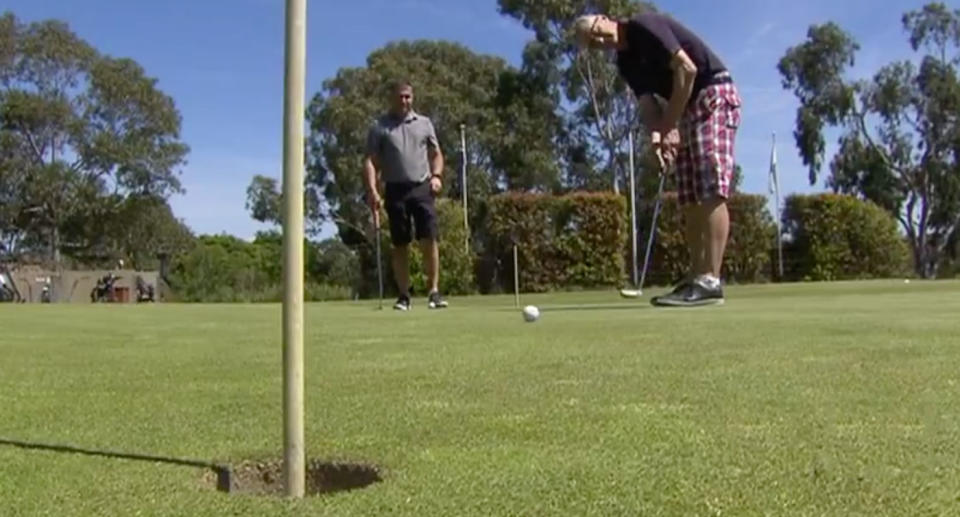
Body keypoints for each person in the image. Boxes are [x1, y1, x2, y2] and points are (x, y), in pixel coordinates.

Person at [574, 11, 743, 307]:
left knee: (709, 183)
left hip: (713, 93)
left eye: (596, 30)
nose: (599, 40)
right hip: (688, 107)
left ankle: (710, 280)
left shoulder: (643, 26)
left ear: (605, 17)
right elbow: (648, 105)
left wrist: (669, 125)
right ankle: (696, 278)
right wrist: (657, 136)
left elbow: (687, 70)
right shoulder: (625, 63)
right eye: (593, 43)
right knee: (690, 195)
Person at [363, 80, 449, 311]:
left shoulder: (424, 123)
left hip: (422, 187)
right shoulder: (380, 127)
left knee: (429, 238)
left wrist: (437, 176)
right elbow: (371, 161)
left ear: (412, 97)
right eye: (400, 96)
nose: (404, 101)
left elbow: (436, 153)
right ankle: (404, 296)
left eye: (408, 96)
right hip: (395, 189)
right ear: (392, 98)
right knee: (400, 243)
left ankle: (433, 291)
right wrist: (372, 190)